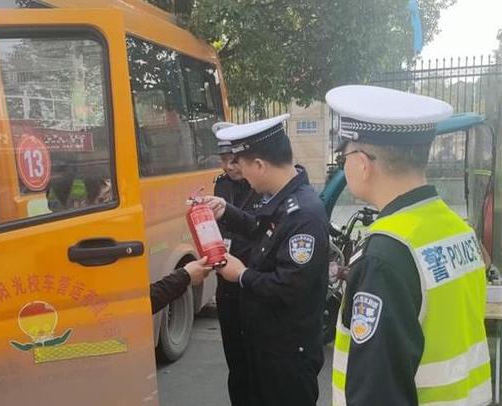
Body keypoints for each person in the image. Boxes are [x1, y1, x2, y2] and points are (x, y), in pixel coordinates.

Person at [326, 85, 492, 406]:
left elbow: (376, 395)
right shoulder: (459, 230)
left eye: (342, 157)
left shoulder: (384, 256)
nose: (343, 166)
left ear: (362, 163)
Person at [205, 114, 329, 406]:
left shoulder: (303, 214)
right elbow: (261, 230)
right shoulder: (283, 201)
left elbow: (289, 286)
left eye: (243, 167)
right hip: (269, 343)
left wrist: (241, 275)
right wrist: (227, 211)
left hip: (287, 353)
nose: (242, 176)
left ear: (259, 165)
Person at [212, 122, 262, 406]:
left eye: (234, 160)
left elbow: (260, 228)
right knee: (235, 360)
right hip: (226, 284)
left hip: (253, 282)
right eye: (223, 160)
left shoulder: (263, 186)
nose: (229, 167)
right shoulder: (221, 184)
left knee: (258, 360)